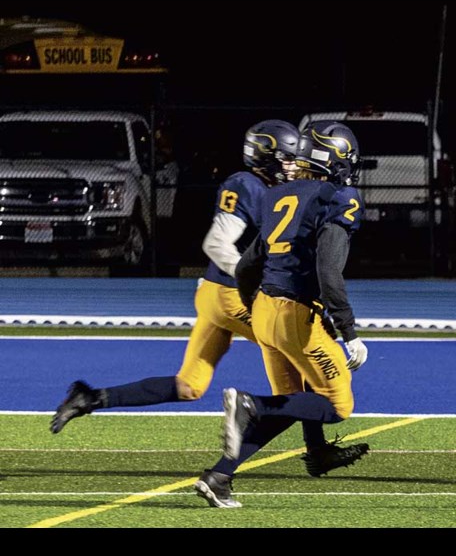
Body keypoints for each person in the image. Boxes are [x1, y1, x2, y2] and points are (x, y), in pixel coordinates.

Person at [49, 120, 357, 477]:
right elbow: (215, 244)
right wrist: (258, 283)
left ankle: (91, 397)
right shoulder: (249, 186)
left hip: (216, 295)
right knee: (298, 372)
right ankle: (310, 451)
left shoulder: (275, 190)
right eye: (287, 158)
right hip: (235, 295)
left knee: (190, 385)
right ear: (267, 157)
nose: (294, 165)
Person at [194, 121, 369, 508]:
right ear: (335, 158)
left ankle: (220, 476)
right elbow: (328, 271)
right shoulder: (338, 198)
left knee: (291, 401)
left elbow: (246, 267)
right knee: (338, 405)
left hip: (264, 310)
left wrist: (253, 305)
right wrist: (349, 330)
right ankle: (250, 405)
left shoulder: (279, 194)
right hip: (294, 315)